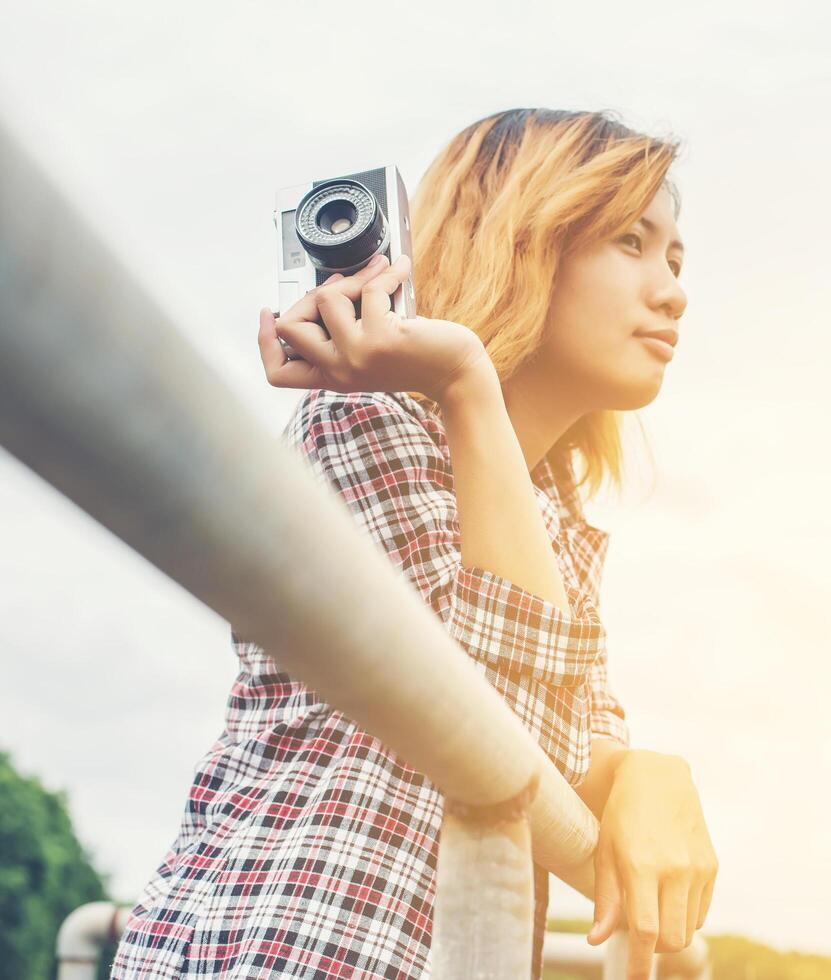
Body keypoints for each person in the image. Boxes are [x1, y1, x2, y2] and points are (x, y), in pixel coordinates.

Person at [112, 108, 717, 980]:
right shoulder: (370, 417)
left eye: (674, 256)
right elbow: (499, 730)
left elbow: (566, 751)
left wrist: (650, 773)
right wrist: (466, 378)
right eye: (630, 240)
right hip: (280, 948)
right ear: (523, 240)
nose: (672, 289)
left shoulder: (551, 515)